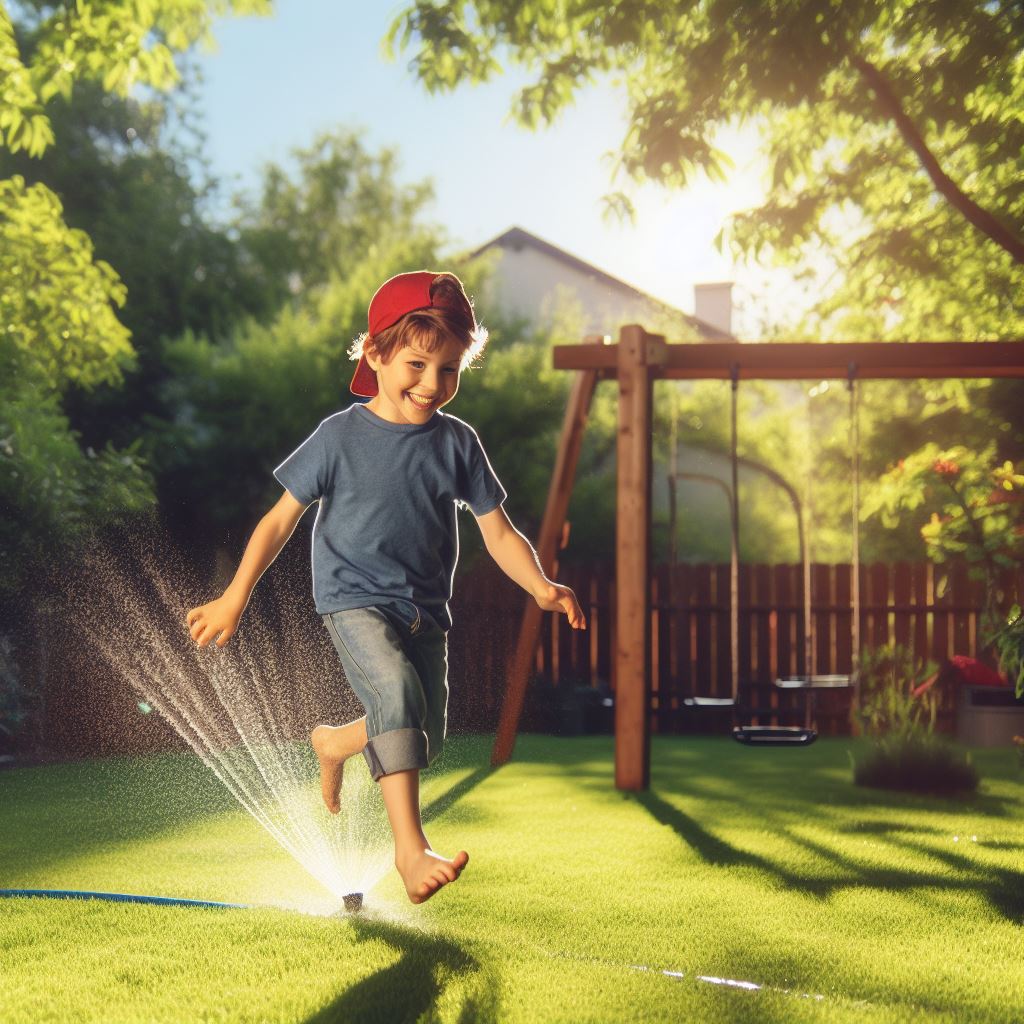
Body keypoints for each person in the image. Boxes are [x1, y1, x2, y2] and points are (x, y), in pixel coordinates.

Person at [186, 270, 586, 905]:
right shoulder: (338, 437)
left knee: (425, 732)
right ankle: (410, 849)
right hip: (353, 599)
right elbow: (279, 519)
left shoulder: (459, 444)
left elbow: (499, 531)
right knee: (397, 695)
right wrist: (235, 595)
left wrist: (540, 584)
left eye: (450, 370)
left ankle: (335, 742)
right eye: (417, 364)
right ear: (374, 354)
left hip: (426, 610)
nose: (433, 385)